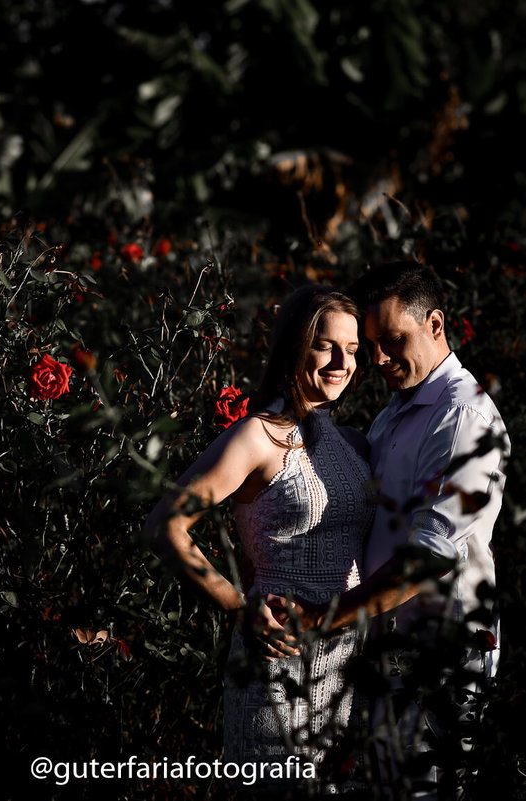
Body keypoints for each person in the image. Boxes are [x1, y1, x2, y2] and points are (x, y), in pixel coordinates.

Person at [280, 261, 510, 797]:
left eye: (393, 340)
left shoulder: (463, 418)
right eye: (371, 343)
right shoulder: (397, 412)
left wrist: (322, 618)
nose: (378, 358)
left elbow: (426, 559)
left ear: (435, 324)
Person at [145, 285, 376, 788]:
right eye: (326, 346)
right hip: (278, 657)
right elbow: (166, 524)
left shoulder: (355, 443)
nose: (342, 362)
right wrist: (236, 605)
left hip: (346, 662)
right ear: (295, 346)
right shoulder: (257, 437)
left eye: (353, 350)